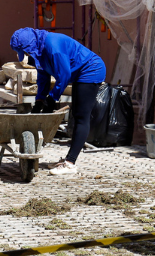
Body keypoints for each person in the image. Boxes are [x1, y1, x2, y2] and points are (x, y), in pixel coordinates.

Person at [9, 27, 106, 175]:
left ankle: (70, 163)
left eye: (25, 51)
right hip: (78, 73)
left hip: (90, 70)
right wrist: (40, 100)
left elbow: (64, 75)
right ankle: (68, 160)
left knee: (81, 116)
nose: (26, 54)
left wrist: (52, 98)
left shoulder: (53, 47)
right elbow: (43, 76)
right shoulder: (39, 50)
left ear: (30, 45)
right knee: (77, 114)